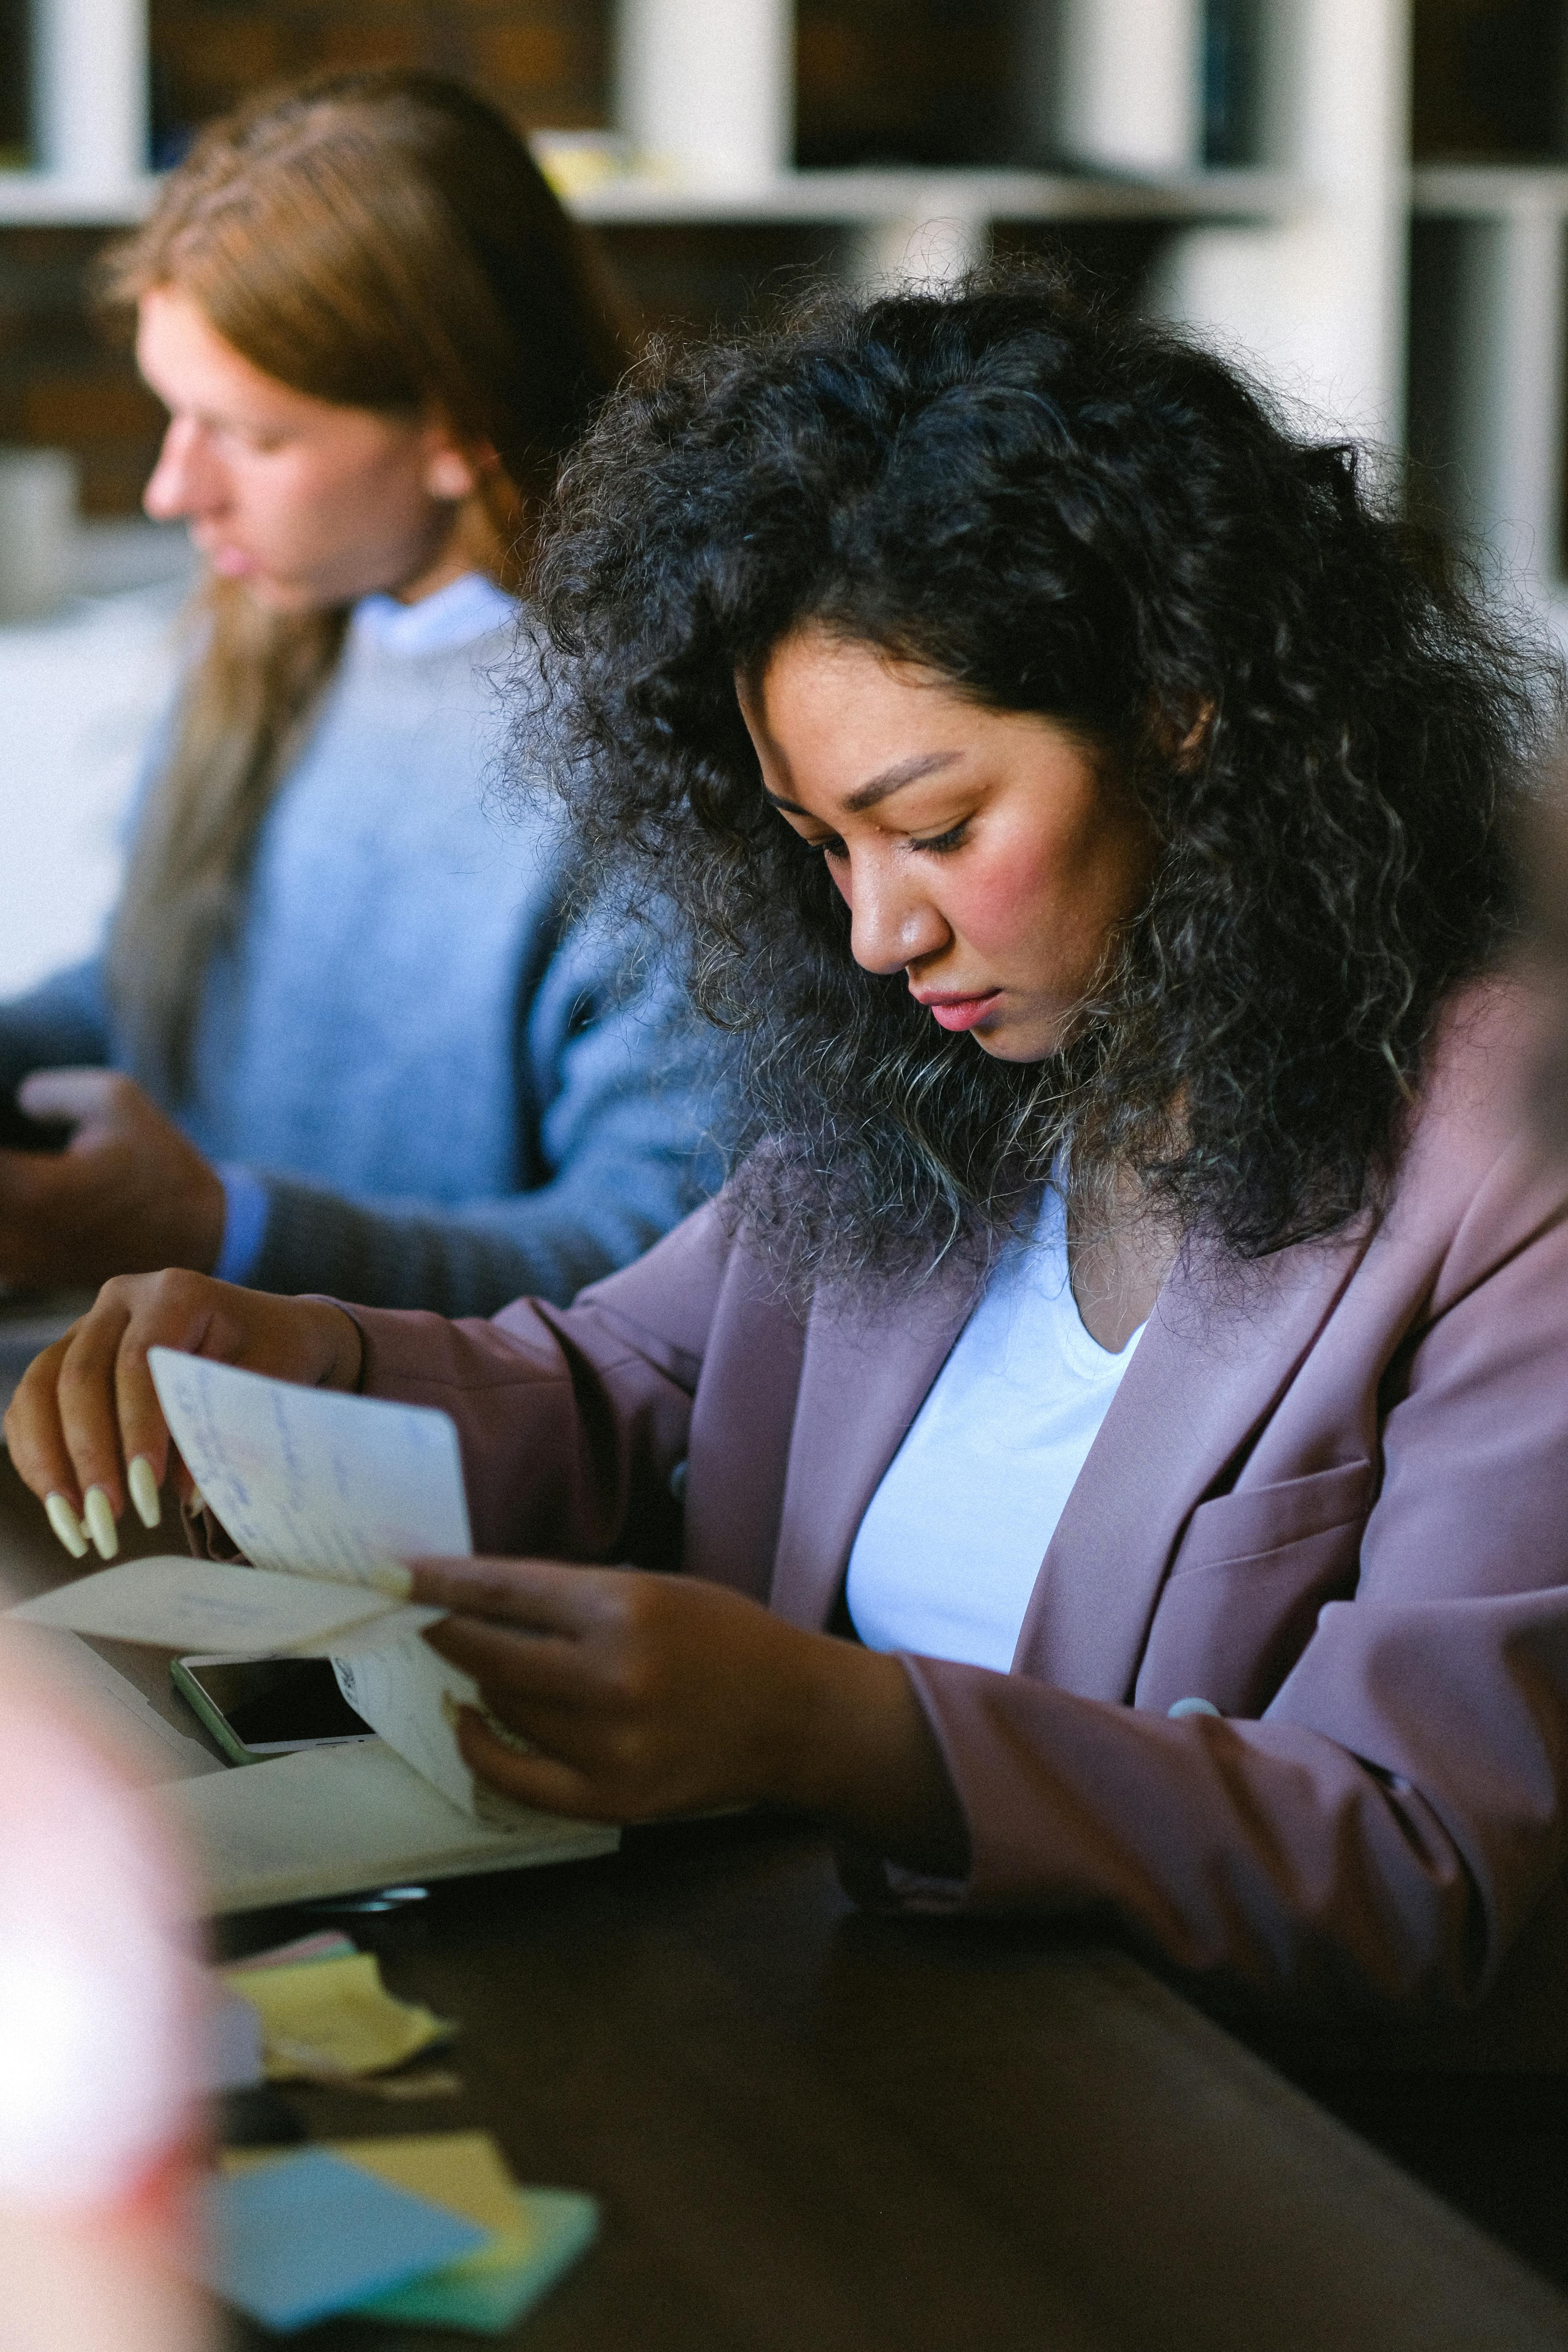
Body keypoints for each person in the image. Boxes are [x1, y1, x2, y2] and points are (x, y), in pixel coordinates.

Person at [14, 266, 1568, 2049]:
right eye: (818, 844)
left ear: (1186, 716)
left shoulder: (1502, 1160)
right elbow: (621, 1384)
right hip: (844, 2021)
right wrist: (300, 1363)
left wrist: (840, 1729)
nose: (872, 933)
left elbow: (1414, 1855)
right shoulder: (954, 1069)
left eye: (932, 825)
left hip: (1224, 2147)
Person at [0, 71, 715, 1385]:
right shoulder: (278, 629)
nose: (172, 488)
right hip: (175, 1426)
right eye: (175, 414)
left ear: (455, 426)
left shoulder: (660, 754)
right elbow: (154, 988)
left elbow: (662, 1260)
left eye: (248, 434)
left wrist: (223, 1230)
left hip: (425, 1489)